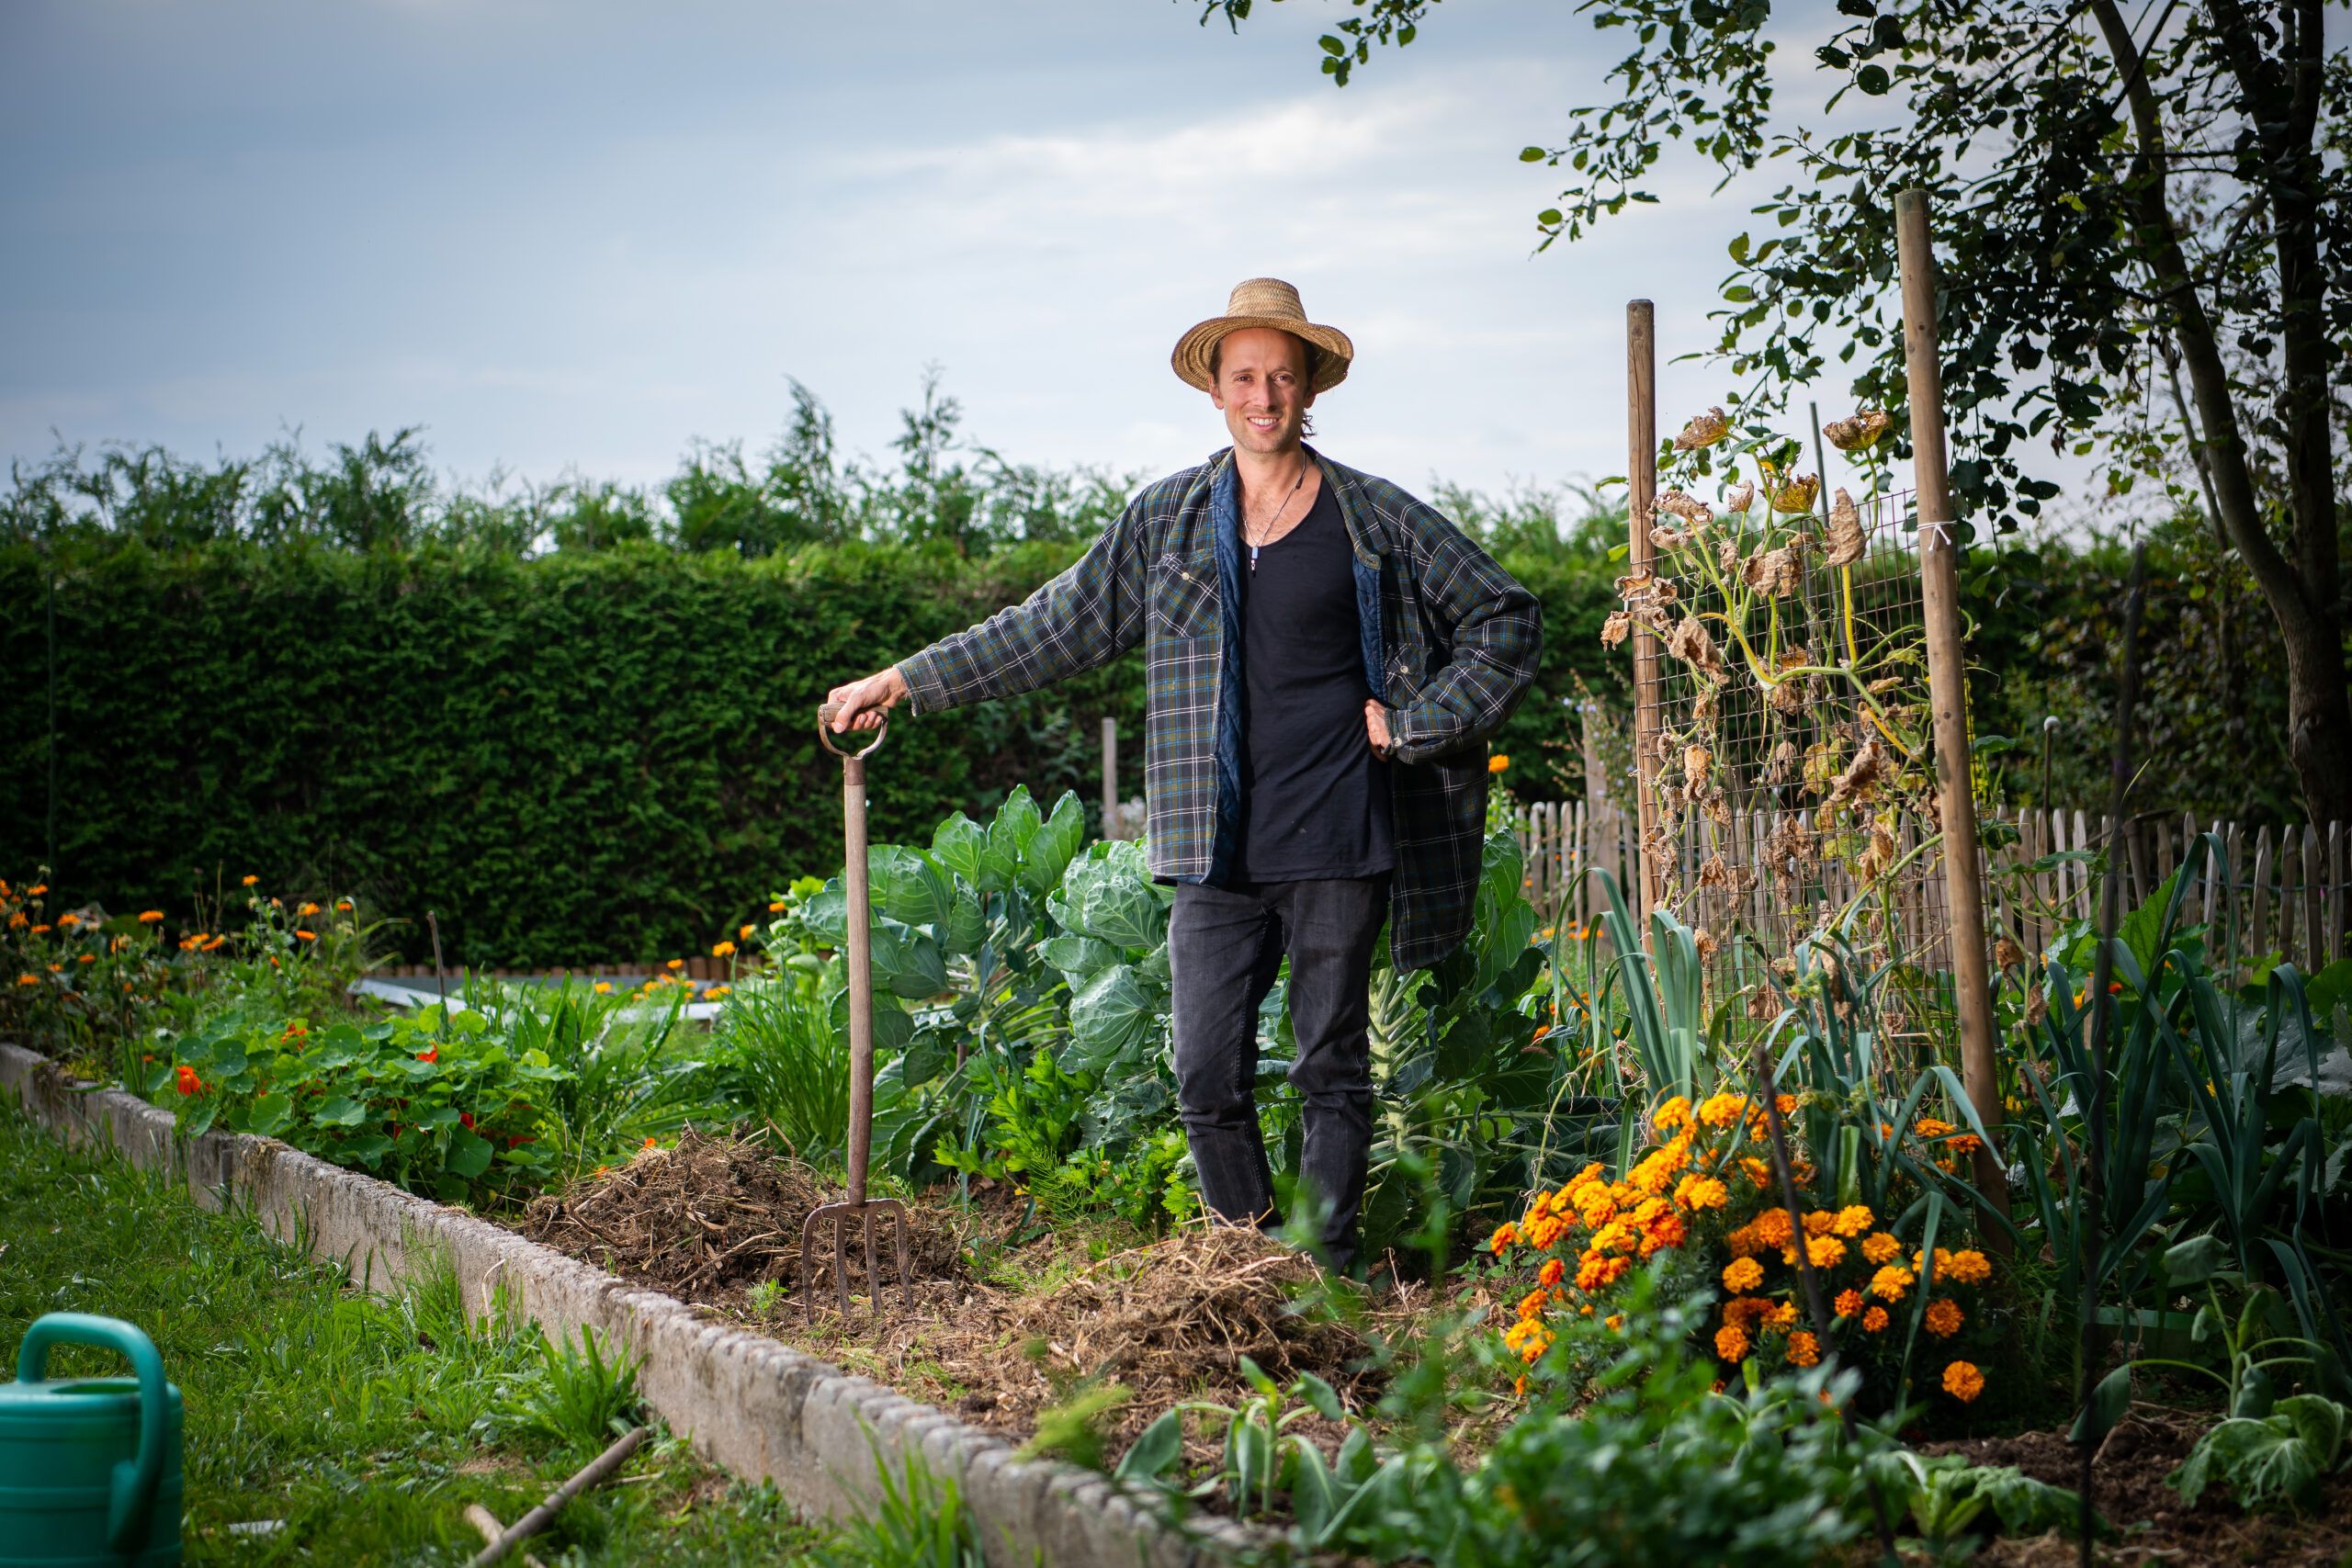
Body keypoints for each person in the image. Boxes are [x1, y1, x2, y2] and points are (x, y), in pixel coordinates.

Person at [826, 278, 1541, 1270]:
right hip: (1213, 846)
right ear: (1215, 390)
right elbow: (1050, 626)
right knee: (1205, 1070)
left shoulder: (1372, 517)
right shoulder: (1165, 521)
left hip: (1340, 831)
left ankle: (1323, 1276)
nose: (1263, 397)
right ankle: (1248, 1271)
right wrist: (905, 679)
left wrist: (1420, 723)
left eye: (1282, 378)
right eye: (1244, 377)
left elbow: (1504, 615)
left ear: (1308, 391)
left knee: (1329, 1066)